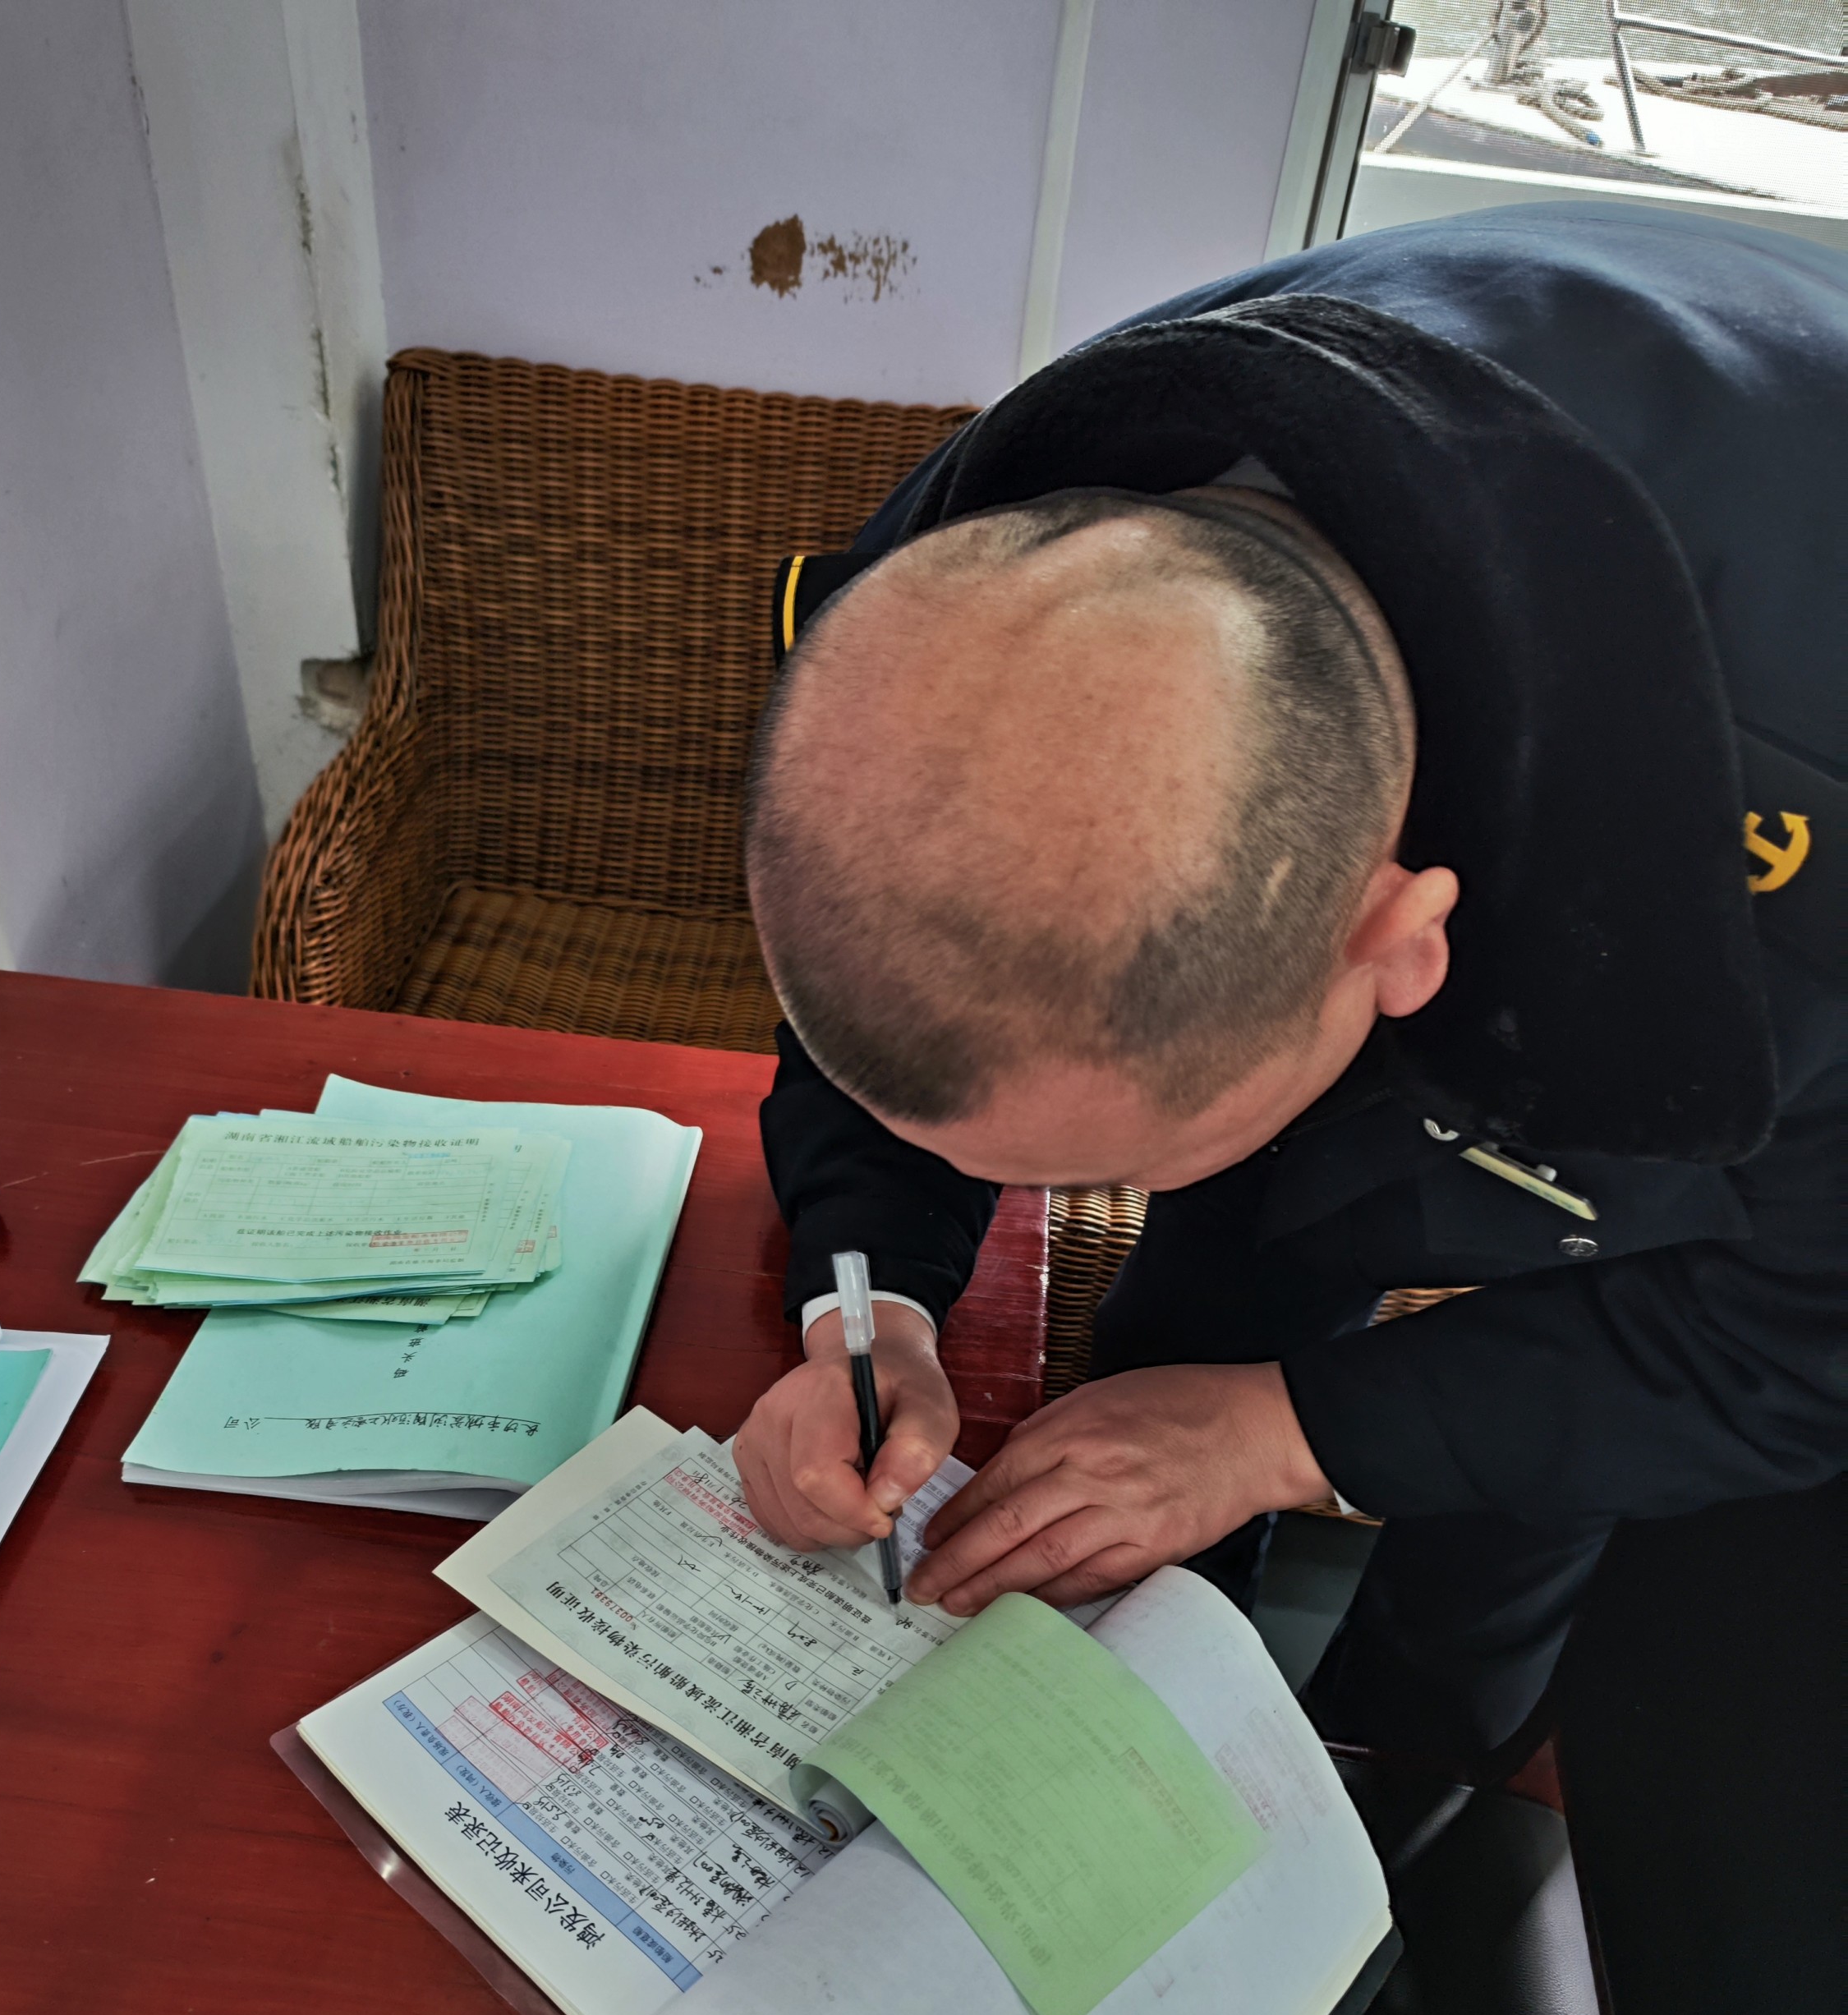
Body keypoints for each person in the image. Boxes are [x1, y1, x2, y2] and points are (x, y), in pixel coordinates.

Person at [730, 201, 1848, 1780]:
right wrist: (872, 1305)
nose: (1062, 1203)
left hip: (1737, 900)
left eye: (1111, 1166)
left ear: (1402, 944)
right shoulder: (961, 586)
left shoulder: (1791, 853)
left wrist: (1289, 1431)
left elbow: (1796, 1337)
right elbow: (902, 1004)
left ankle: (1405, 1779)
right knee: (1201, 1306)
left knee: (1525, 1503)